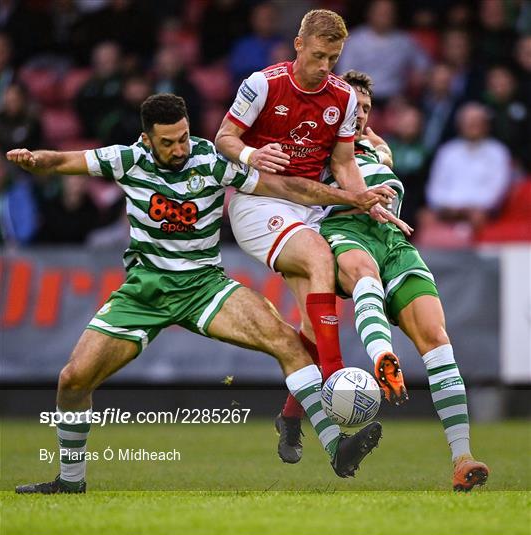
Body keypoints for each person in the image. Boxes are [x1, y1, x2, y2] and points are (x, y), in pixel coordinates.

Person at [8, 93, 392, 494]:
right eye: (168, 143)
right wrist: (35, 160)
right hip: (145, 291)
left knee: (286, 342)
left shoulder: (211, 160)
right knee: (72, 380)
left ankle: (336, 446)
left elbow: (285, 187)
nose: (179, 149)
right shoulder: (126, 159)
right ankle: (71, 481)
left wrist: (351, 197)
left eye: (184, 138)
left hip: (204, 286)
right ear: (146, 139)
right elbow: (67, 161)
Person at [215, 9, 409, 463]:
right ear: (298, 44)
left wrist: (367, 202)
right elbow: (224, 136)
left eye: (334, 58)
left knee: (312, 325)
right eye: (319, 55)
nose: (326, 66)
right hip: (258, 202)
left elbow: (344, 165)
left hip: (311, 207)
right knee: (321, 257)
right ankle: (337, 381)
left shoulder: (341, 97)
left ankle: (305, 425)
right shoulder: (262, 84)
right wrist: (250, 152)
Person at [317, 70, 489, 492]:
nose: (359, 115)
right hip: (346, 230)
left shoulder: (377, 147)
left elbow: (377, 155)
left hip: (394, 239)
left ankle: (462, 457)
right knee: (364, 274)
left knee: (437, 337)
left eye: (367, 109)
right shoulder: (316, 147)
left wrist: (373, 148)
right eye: (351, 106)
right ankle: (381, 357)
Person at [424, 102, 512, 233]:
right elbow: (435, 188)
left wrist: (469, 209)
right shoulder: (448, 151)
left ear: (486, 124)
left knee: (478, 218)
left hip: (480, 213)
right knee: (425, 218)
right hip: (447, 212)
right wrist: (447, 208)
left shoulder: (497, 152)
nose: (473, 125)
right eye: (468, 121)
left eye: (477, 121)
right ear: (460, 125)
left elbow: (497, 191)